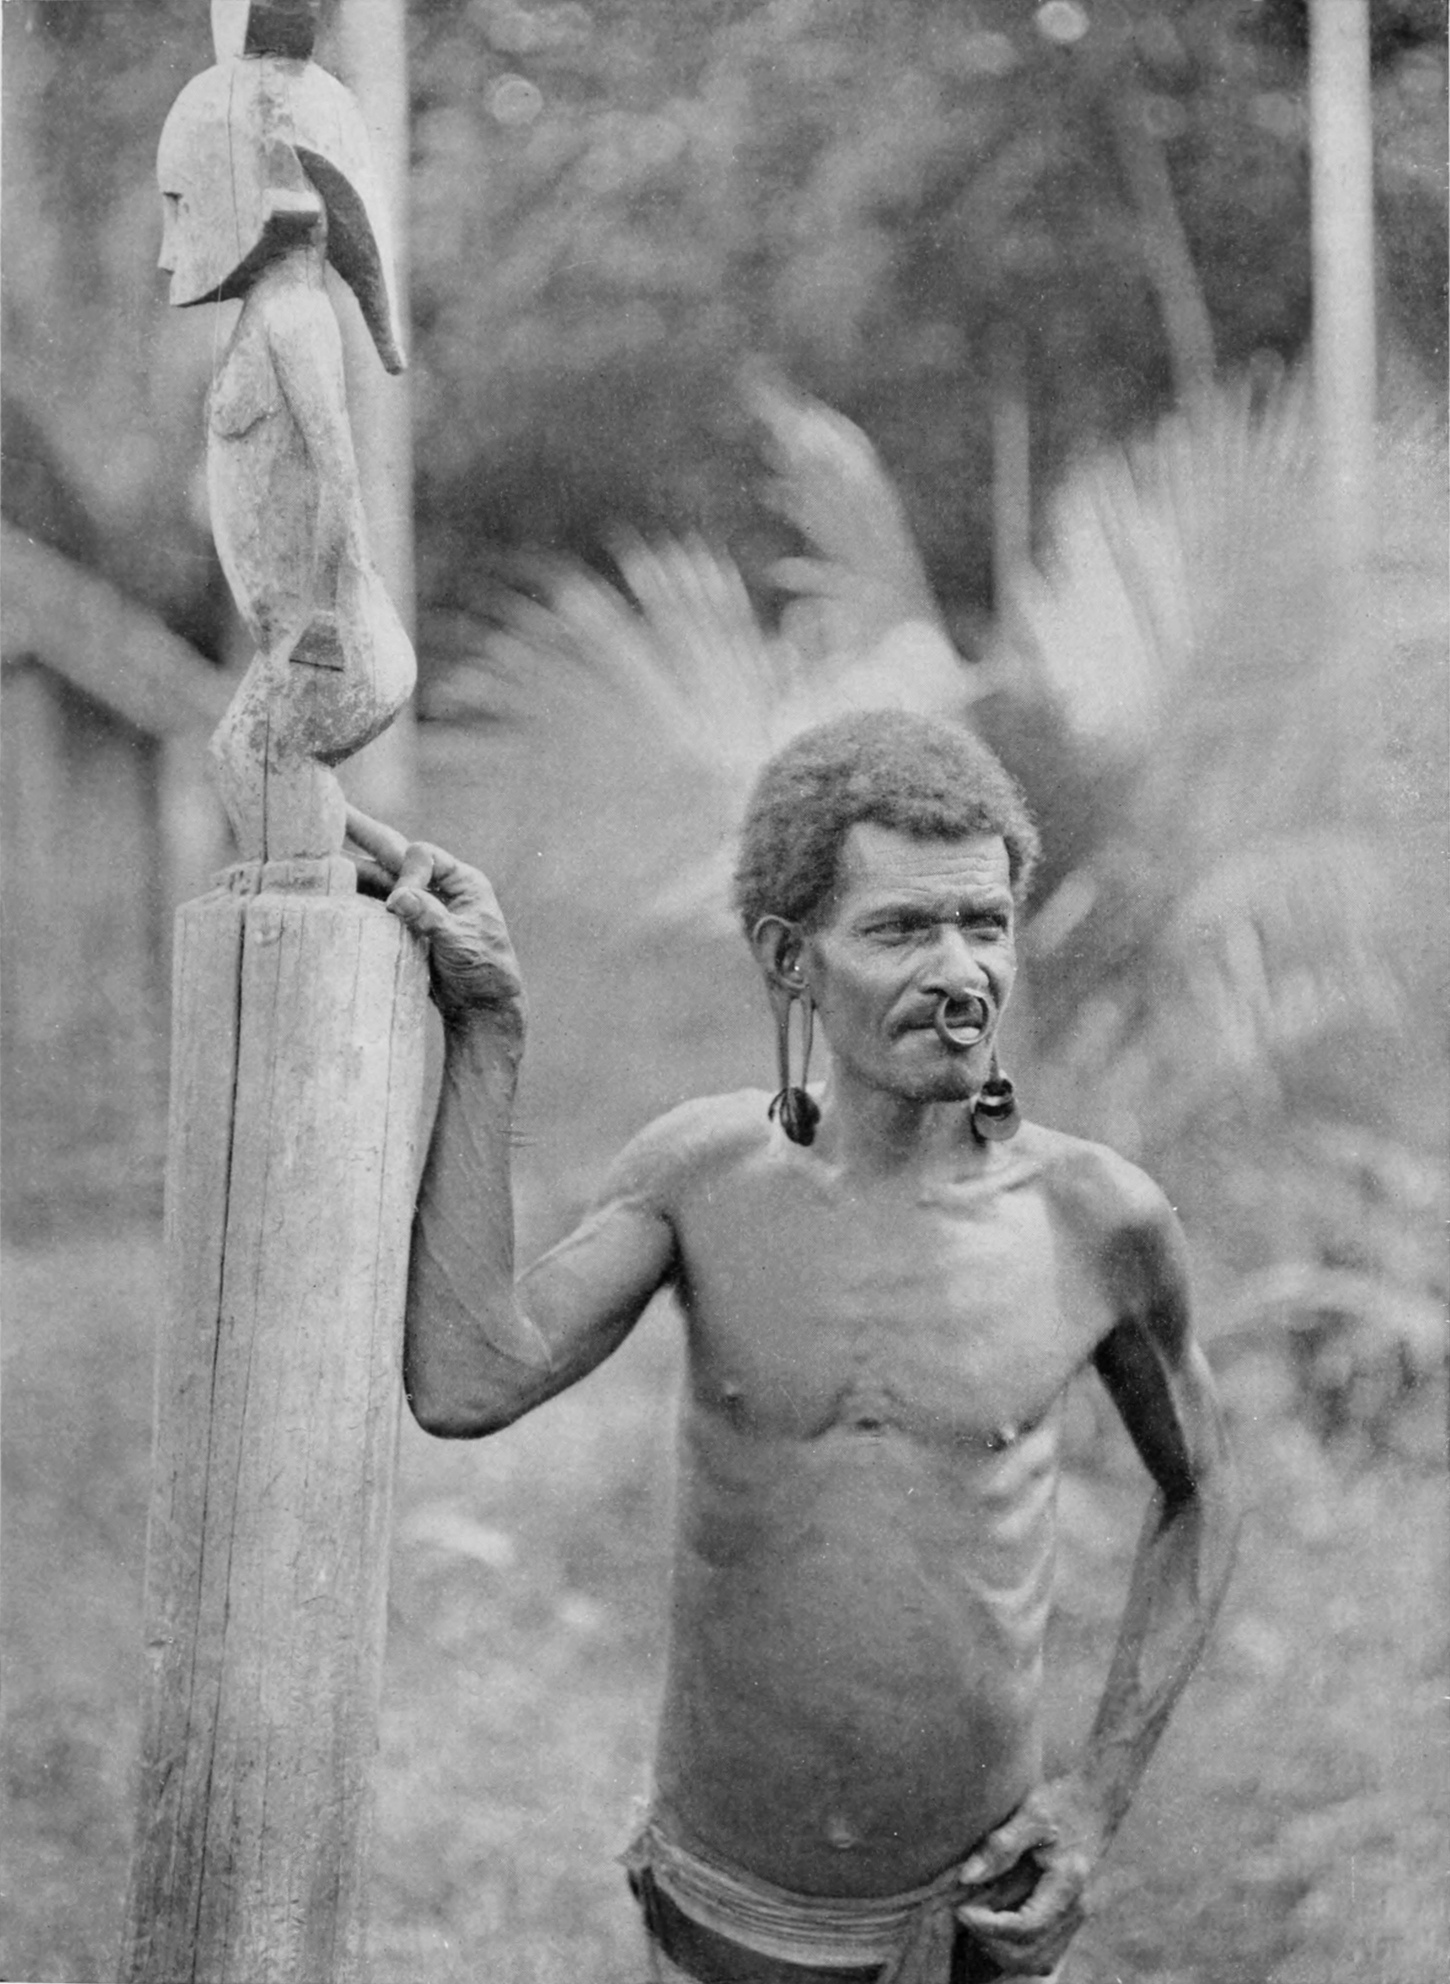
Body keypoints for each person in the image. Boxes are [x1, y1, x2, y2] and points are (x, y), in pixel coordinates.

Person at [347, 710, 1239, 1984]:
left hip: (971, 1929)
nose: (960, 971)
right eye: (900, 929)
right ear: (789, 957)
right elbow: (466, 1377)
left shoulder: (1097, 1221)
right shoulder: (702, 1176)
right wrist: (487, 1028)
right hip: (726, 1916)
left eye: (984, 924)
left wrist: (1095, 1799)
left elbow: (1202, 1493)